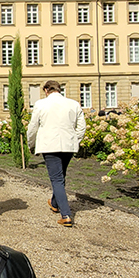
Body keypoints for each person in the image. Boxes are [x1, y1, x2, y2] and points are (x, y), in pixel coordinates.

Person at [27, 80, 86, 227]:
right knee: (60, 176)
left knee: (57, 179)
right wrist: (74, 140)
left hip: (49, 145)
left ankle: (66, 214)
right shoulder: (73, 104)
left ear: (46, 90)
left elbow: (33, 127)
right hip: (68, 145)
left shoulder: (41, 104)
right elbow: (81, 127)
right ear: (59, 89)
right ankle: (54, 203)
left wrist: (31, 144)